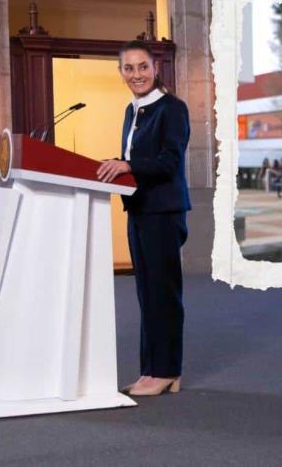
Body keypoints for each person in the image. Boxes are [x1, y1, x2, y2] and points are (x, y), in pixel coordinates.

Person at [97, 39, 191, 396]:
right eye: (128, 68)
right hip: (139, 208)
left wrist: (128, 165)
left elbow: (169, 160)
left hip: (164, 210)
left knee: (163, 293)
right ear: (120, 72)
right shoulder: (132, 110)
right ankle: (152, 369)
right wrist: (115, 165)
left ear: (156, 69)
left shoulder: (172, 109)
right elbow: (133, 156)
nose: (136, 74)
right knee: (147, 292)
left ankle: (166, 369)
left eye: (142, 67)